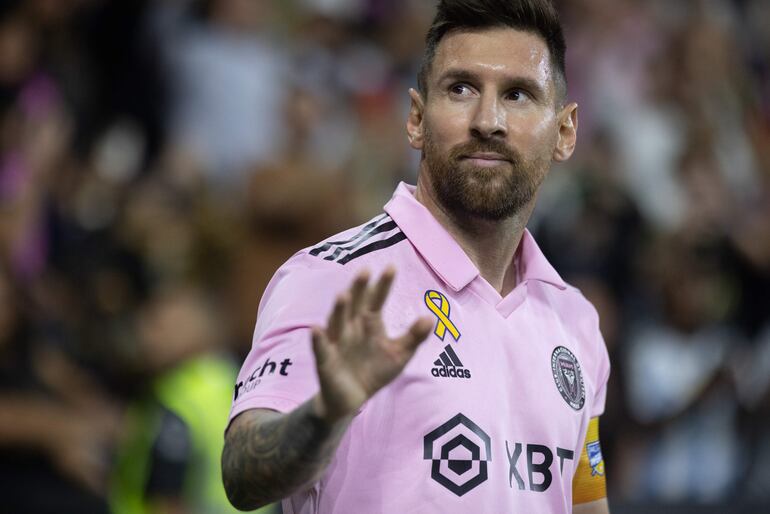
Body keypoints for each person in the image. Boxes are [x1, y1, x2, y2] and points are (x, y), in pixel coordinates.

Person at [222, 1, 611, 513]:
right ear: (416, 119)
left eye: (517, 94)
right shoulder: (334, 278)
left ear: (564, 132)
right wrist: (324, 413)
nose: (487, 120)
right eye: (461, 89)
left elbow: (584, 501)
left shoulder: (574, 321)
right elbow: (243, 473)